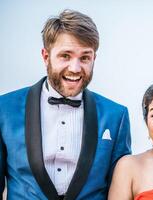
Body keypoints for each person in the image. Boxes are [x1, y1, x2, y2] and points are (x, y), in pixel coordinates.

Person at [0, 9, 131, 200]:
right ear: (46, 56)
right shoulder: (4, 109)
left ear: (94, 58)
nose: (75, 68)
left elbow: (120, 191)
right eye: (65, 56)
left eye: (85, 57)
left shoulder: (116, 116)